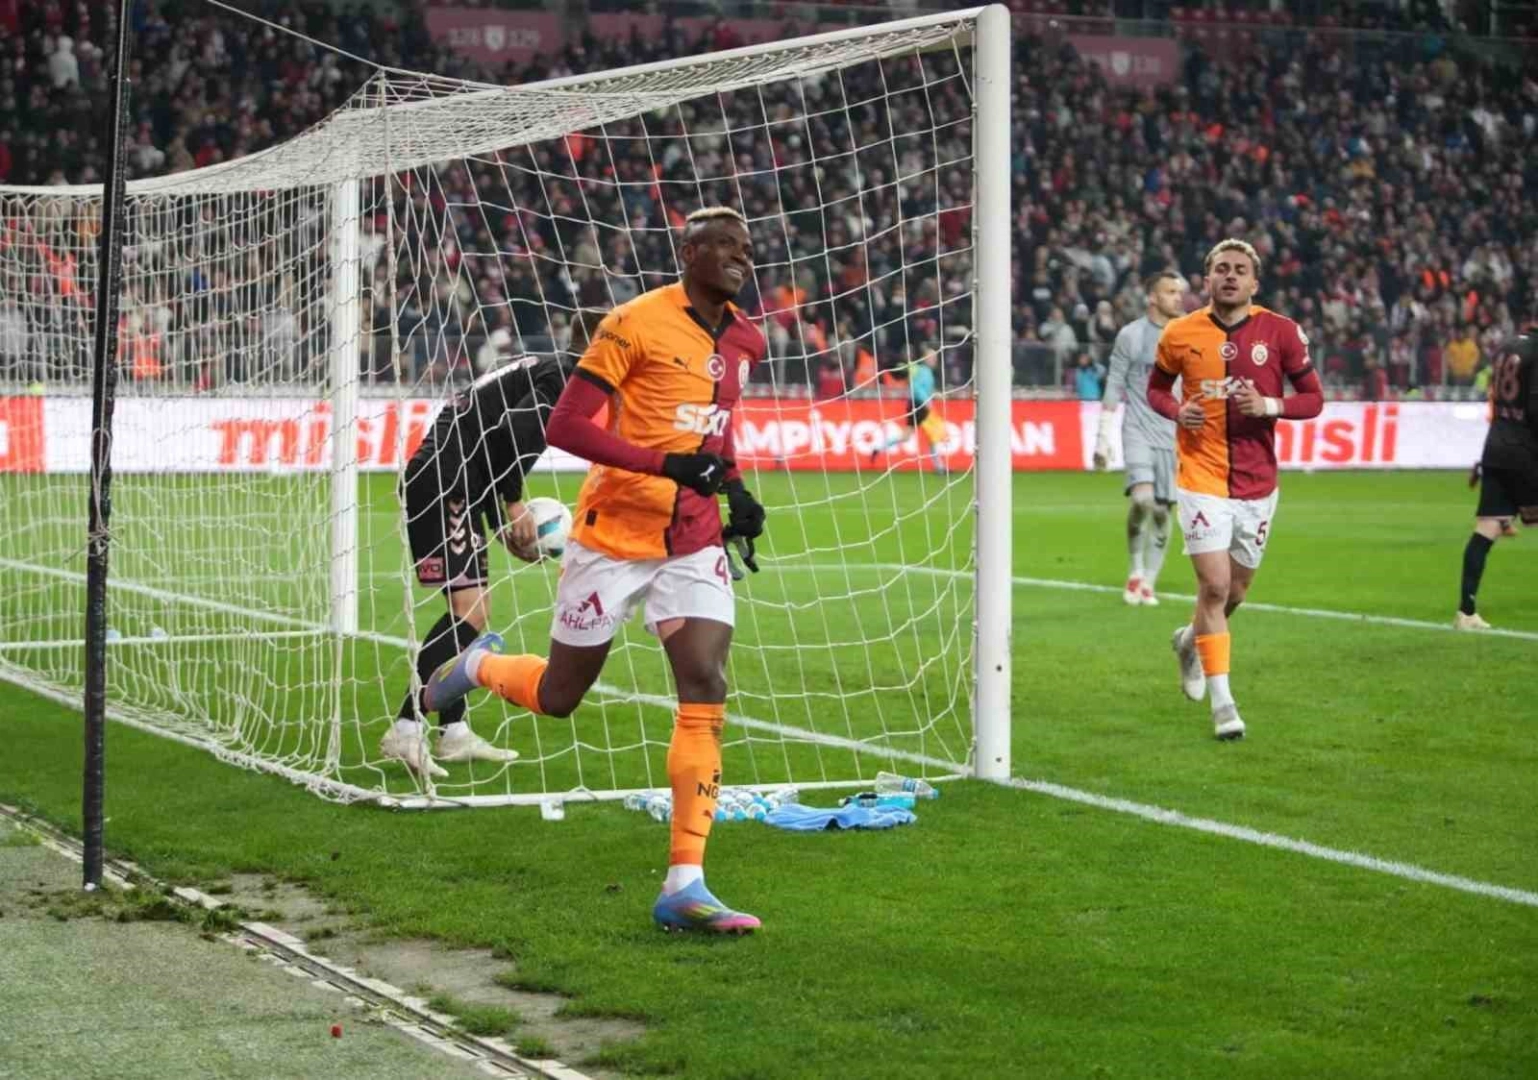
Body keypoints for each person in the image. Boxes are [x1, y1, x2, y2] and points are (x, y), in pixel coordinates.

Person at [423, 207, 769, 933]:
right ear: (689, 252)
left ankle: (685, 883)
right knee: (559, 696)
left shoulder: (747, 338)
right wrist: (665, 464)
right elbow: (566, 426)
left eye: (746, 248)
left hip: (692, 539)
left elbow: (717, 428)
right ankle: (478, 664)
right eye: (725, 246)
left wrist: (735, 490)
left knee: (705, 682)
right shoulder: (632, 323)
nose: (741, 257)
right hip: (613, 535)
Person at [1146, 239, 1324, 740]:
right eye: (1220, 268)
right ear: (1206, 279)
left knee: (1237, 592)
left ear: (1254, 282)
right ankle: (1224, 705)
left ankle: (1189, 640)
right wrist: (1177, 410)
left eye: (1239, 270)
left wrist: (1269, 406)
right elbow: (1156, 389)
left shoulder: (1281, 331)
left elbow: (1314, 399)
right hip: (1200, 476)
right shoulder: (1180, 333)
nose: (1229, 276)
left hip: (1257, 483)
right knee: (1215, 587)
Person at [384, 350, 572, 778]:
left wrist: (500, 524)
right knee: (470, 611)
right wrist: (514, 502)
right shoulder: (565, 375)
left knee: (474, 609)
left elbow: (488, 442)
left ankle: (453, 731)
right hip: (445, 482)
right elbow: (510, 434)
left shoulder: (539, 364)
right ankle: (406, 726)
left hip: (457, 483)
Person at [1093, 271, 1186, 606]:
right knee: (1142, 500)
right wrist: (1102, 436)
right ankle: (1135, 569)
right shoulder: (1131, 335)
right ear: (1153, 297)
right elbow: (1115, 382)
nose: (1178, 297)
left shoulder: (1188, 335)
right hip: (1137, 429)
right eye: (1170, 291)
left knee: (1161, 510)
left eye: (1179, 292)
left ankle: (1149, 581)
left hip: (1172, 434)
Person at [1456, 328, 1538, 629]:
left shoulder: (1507, 346)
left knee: (1487, 529)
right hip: (1525, 451)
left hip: (1496, 446)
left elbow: (1496, 399)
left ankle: (1466, 612)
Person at [872, 348, 947, 473]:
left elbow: (923, 388)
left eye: (935, 357)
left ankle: (878, 447)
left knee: (907, 436)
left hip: (916, 405)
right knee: (934, 433)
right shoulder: (923, 371)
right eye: (931, 357)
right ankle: (940, 468)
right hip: (919, 406)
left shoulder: (922, 371)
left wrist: (935, 395)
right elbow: (916, 387)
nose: (934, 359)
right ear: (924, 358)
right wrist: (927, 401)